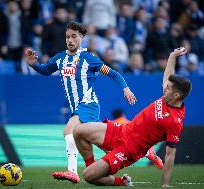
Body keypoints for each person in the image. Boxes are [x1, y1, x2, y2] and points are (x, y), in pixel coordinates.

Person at [25, 21, 136, 184]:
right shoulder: (60, 59)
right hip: (77, 108)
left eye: (74, 36)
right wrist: (33, 64)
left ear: (82, 38)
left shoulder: (89, 59)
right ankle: (124, 178)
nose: (70, 40)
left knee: (68, 131)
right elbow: (45, 70)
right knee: (103, 143)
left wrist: (125, 88)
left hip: (88, 105)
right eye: (67, 37)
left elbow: (112, 74)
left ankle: (72, 172)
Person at [73, 47, 192, 186]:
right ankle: (92, 166)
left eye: (169, 88)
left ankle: (120, 182)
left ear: (177, 95)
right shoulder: (168, 97)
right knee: (78, 131)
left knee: (88, 176)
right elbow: (168, 76)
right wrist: (172, 56)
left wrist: (165, 184)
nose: (165, 88)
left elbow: (170, 155)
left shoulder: (174, 121)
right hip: (123, 130)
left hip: (130, 149)